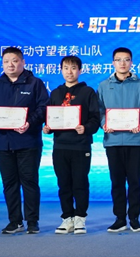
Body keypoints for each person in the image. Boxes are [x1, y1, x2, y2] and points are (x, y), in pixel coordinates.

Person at [0, 46, 49, 234]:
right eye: (6, 62)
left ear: (23, 62)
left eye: (15, 61)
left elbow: (44, 108)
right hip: (3, 142)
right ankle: (15, 221)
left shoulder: (35, 84)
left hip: (28, 141)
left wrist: (29, 123)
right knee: (9, 184)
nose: (10, 65)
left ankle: (32, 221)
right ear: (2, 64)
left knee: (29, 182)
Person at [42, 55, 100, 235]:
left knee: (80, 183)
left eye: (73, 68)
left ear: (80, 71)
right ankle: (67, 218)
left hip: (80, 146)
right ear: (61, 70)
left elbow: (95, 118)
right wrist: (47, 128)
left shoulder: (88, 92)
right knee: (64, 184)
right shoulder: (55, 93)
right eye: (66, 68)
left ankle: (80, 218)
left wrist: (86, 128)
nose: (69, 72)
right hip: (60, 146)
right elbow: (49, 116)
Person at [97, 47, 140, 233]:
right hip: (113, 141)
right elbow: (99, 110)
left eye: (126, 59)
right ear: (113, 63)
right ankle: (120, 219)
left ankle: (134, 218)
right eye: (118, 59)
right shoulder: (103, 86)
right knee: (117, 182)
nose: (122, 63)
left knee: (135, 182)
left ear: (131, 62)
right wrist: (104, 123)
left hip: (135, 140)